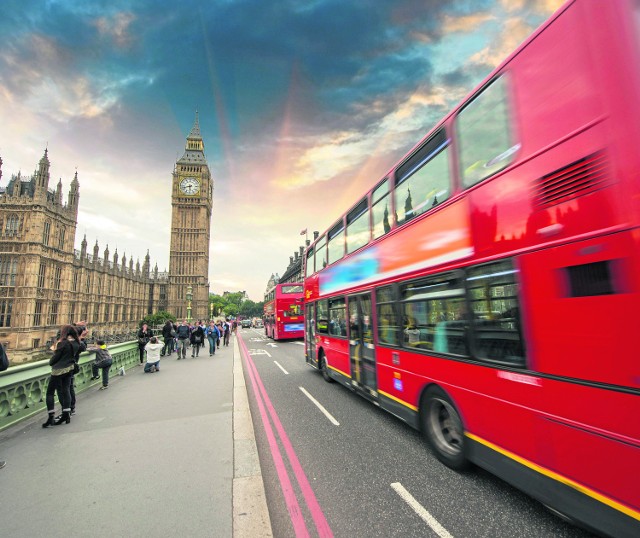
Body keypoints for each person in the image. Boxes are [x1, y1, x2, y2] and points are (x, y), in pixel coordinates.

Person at [43, 324, 81, 428]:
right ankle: (66, 414)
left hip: (58, 370)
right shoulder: (76, 343)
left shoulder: (62, 344)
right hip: (70, 369)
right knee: (66, 390)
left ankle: (51, 416)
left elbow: (54, 359)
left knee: (50, 393)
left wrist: (53, 357)